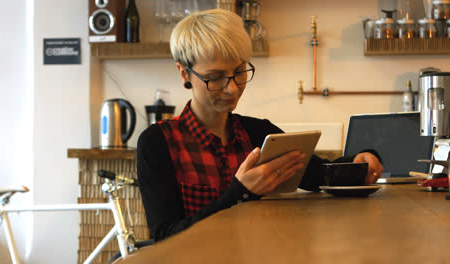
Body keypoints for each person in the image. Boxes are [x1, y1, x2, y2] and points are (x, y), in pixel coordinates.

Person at [137, 9, 383, 242]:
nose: (232, 88)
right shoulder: (158, 143)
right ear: (184, 74)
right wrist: (240, 192)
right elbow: (165, 237)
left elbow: (320, 174)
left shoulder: (258, 133)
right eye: (214, 77)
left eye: (239, 71)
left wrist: (361, 161)